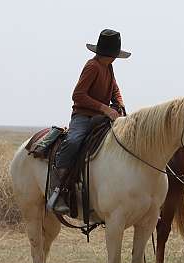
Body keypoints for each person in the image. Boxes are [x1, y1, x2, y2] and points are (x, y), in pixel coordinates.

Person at [47, 29, 130, 214]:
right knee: (74, 141)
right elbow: (78, 95)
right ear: (111, 54)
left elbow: (114, 87)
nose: (115, 58)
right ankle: (57, 188)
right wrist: (105, 108)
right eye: (114, 55)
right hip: (83, 116)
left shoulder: (108, 66)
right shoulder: (92, 66)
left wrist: (120, 103)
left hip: (103, 116)